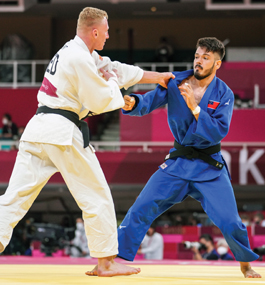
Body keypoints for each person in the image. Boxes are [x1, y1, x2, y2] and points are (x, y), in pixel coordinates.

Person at [0, 7, 174, 277]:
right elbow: (103, 100)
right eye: (105, 32)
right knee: (96, 195)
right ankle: (105, 262)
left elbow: (116, 68)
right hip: (62, 131)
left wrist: (158, 77)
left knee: (14, 198)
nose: (106, 36)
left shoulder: (76, 52)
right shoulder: (79, 59)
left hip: (38, 130)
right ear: (94, 31)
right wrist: (114, 81)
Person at [117, 37, 261, 278]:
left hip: (210, 166)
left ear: (217, 64)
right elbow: (149, 101)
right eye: (197, 56)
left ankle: (245, 263)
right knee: (141, 208)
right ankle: (119, 259)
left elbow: (218, 130)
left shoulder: (224, 93)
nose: (199, 61)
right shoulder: (176, 81)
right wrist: (133, 102)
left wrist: (195, 106)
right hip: (178, 163)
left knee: (230, 221)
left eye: (205, 58)